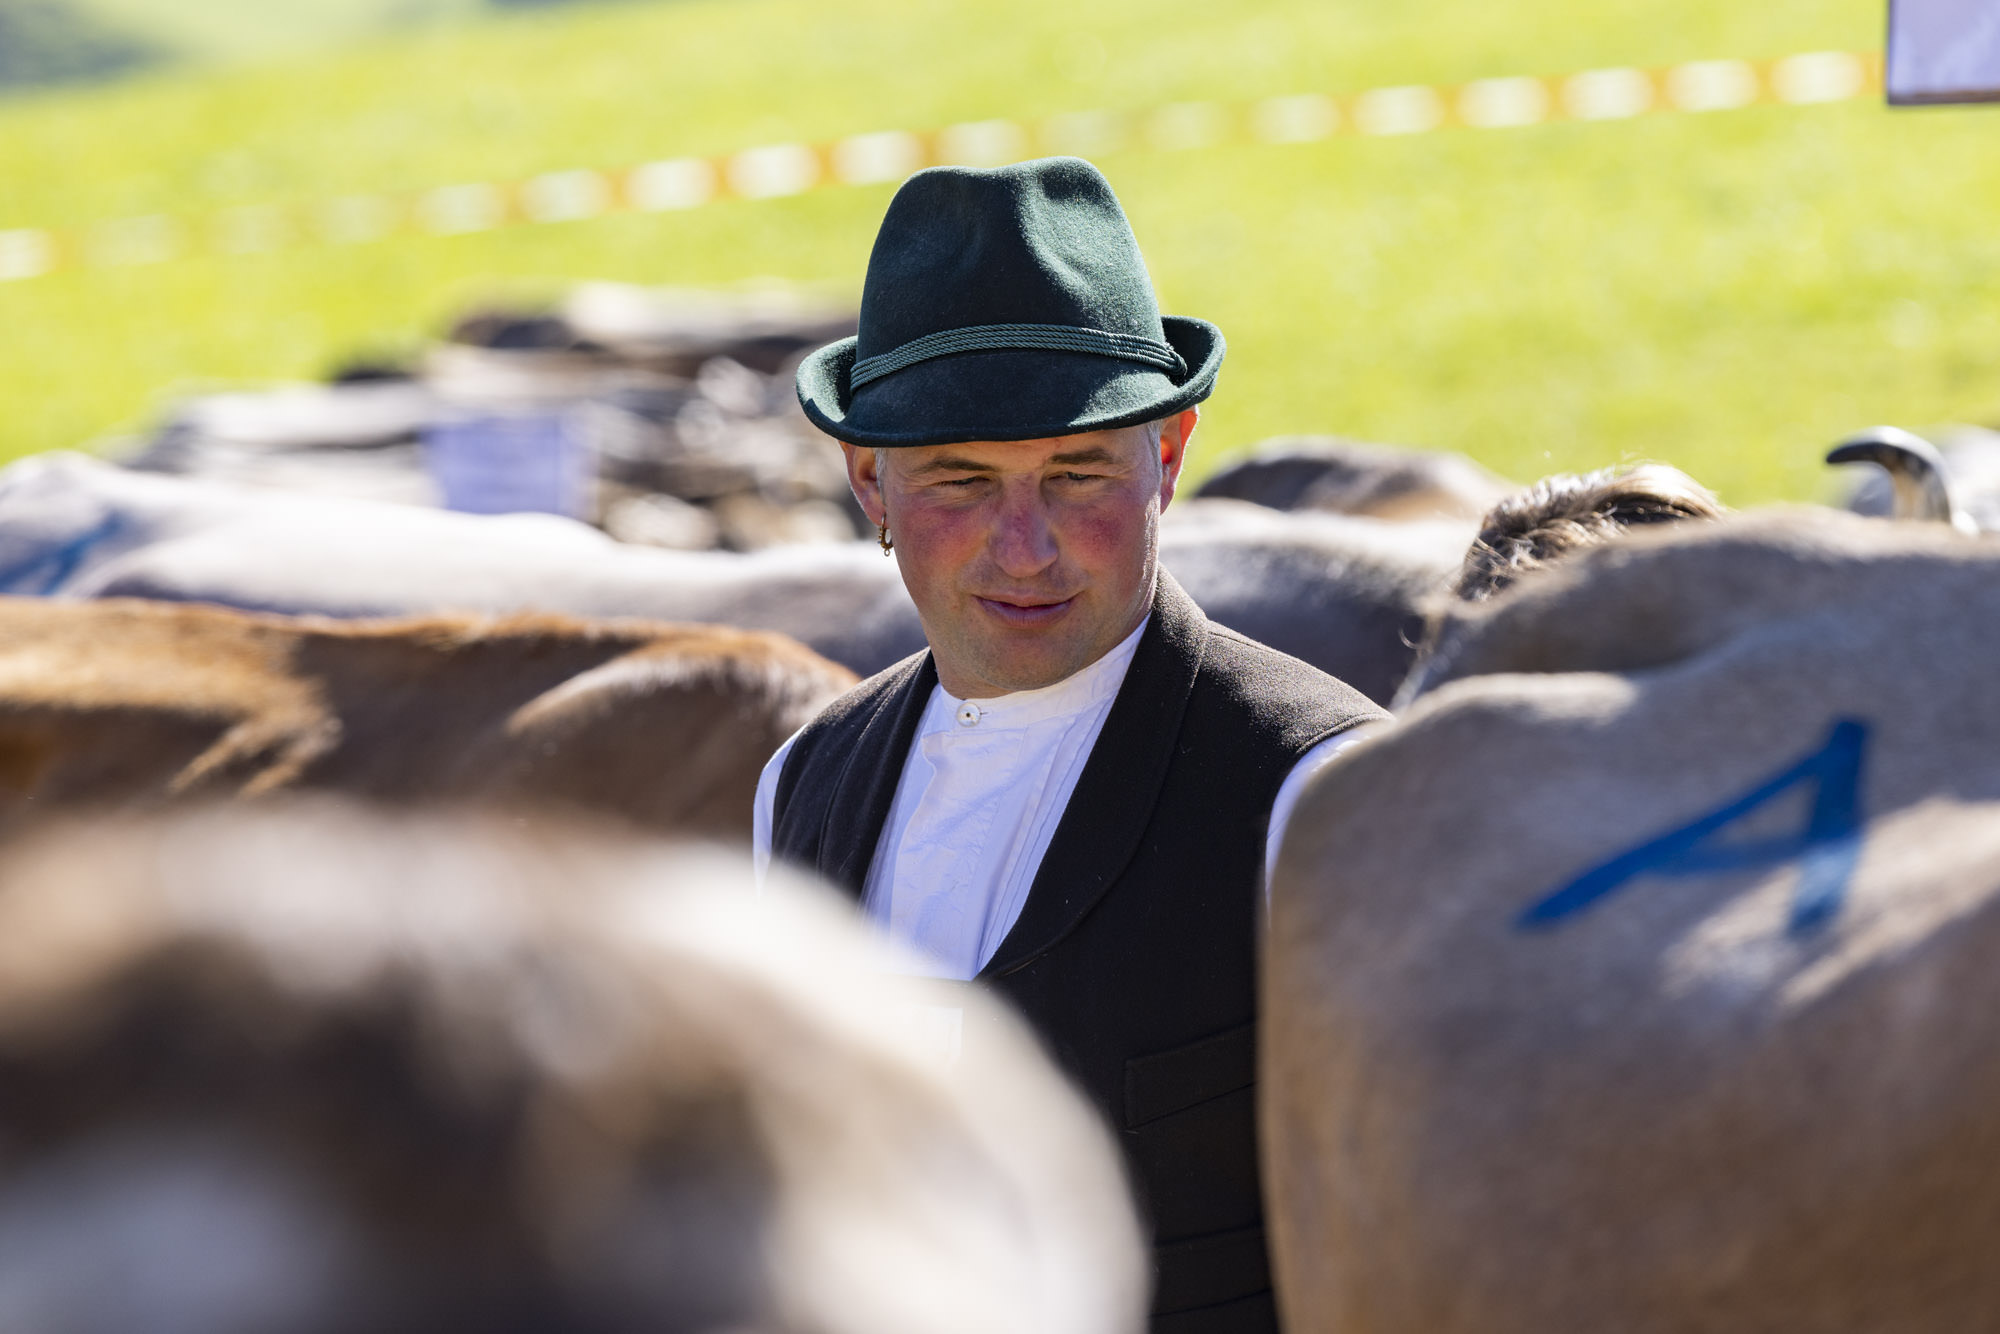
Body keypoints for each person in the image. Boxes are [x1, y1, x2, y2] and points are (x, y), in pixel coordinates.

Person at [752, 157, 1385, 1333]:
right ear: (868, 482)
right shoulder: (801, 784)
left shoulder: (1319, 790)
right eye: (960, 482)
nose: (1025, 547)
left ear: (1169, 453)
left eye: (1075, 473)